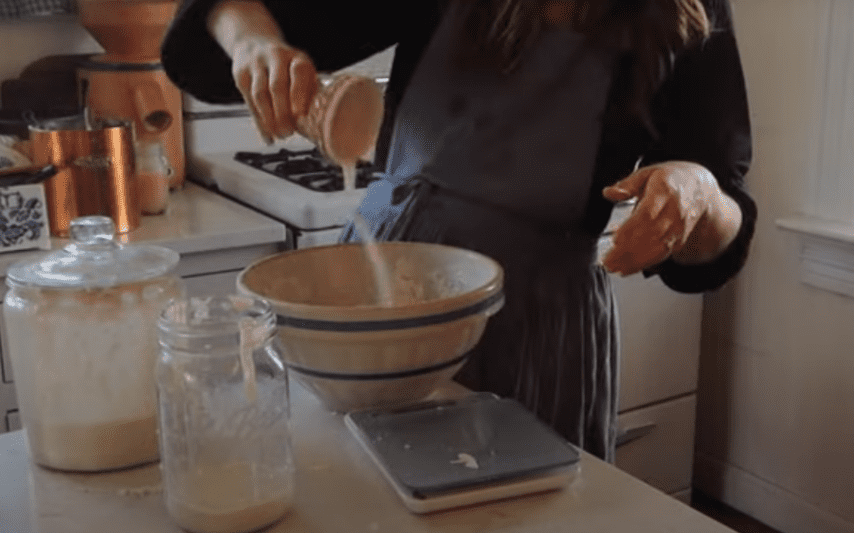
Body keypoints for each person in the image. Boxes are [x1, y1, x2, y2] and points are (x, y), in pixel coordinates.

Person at [161, 0, 757, 461]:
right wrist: (258, 45)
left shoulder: (686, 8)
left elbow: (721, 233)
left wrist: (698, 194)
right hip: (385, 302)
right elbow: (213, 20)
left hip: (539, 331)